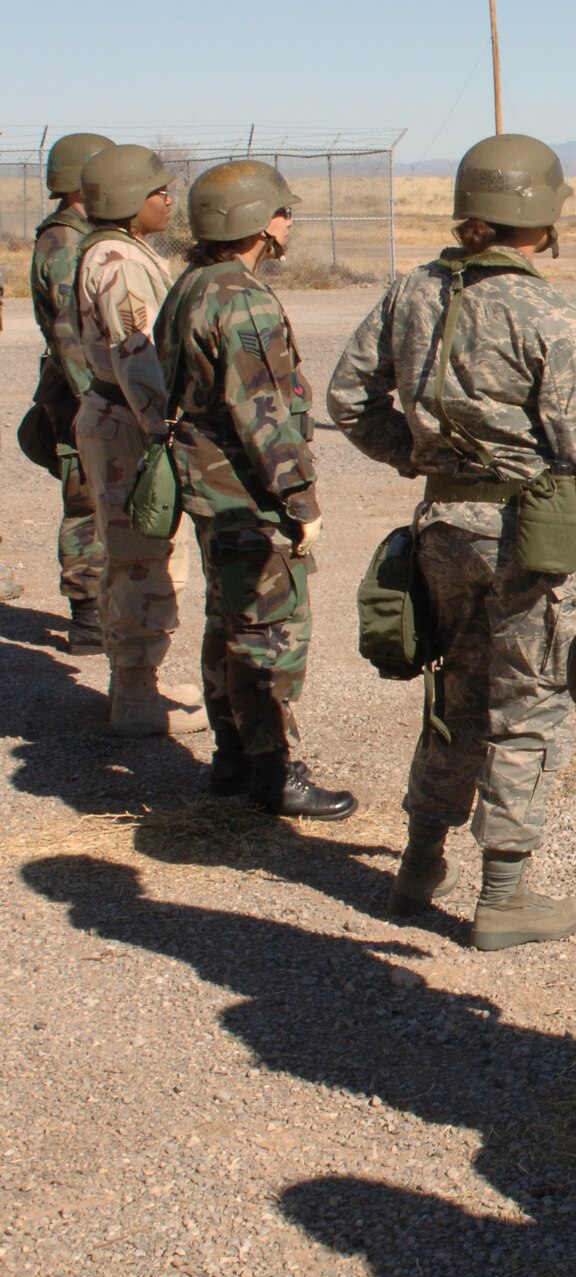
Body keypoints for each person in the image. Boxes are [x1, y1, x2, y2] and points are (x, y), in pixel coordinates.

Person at [327, 134, 576, 949]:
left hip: (443, 526)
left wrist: (415, 455)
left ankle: (419, 863)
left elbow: (348, 397)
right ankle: (504, 896)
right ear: (540, 215)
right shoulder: (548, 313)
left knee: (456, 695)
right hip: (528, 538)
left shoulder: (409, 291)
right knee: (528, 704)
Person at [155, 161, 353, 819]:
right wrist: (300, 497)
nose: (289, 221)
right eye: (281, 210)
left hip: (211, 488)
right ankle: (274, 772)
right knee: (271, 631)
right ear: (256, 222)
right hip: (247, 493)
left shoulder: (192, 285)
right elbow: (264, 413)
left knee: (229, 621)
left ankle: (234, 759)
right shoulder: (241, 297)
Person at [71, 144, 204, 735]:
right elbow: (138, 355)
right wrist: (164, 430)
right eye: (158, 192)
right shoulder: (120, 262)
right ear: (129, 198)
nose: (169, 200)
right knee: (142, 560)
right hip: (131, 423)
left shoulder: (116, 250)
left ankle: (139, 678)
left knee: (139, 555)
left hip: (119, 416)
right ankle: (134, 697)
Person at [29, 131, 112, 648]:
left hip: (87, 390)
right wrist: (93, 400)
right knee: (86, 497)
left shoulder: (81, 235)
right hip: (79, 393)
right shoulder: (63, 243)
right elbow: (70, 335)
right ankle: (87, 615)